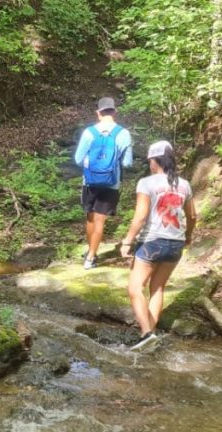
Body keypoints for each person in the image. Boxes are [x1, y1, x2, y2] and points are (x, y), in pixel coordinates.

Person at [119, 141, 196, 352]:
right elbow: (192, 215)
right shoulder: (185, 184)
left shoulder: (147, 183)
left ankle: (146, 333)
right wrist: (187, 235)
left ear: (154, 161)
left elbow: (141, 215)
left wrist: (127, 241)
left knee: (135, 288)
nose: (149, 165)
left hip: (152, 241)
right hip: (176, 243)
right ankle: (149, 339)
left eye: (150, 161)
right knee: (157, 288)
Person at [73, 97, 133, 270]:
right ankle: (90, 258)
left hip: (90, 182)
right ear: (115, 112)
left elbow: (78, 159)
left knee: (90, 217)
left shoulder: (89, 132)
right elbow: (127, 163)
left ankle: (91, 252)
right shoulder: (123, 133)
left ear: (98, 113)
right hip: (111, 183)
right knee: (100, 220)